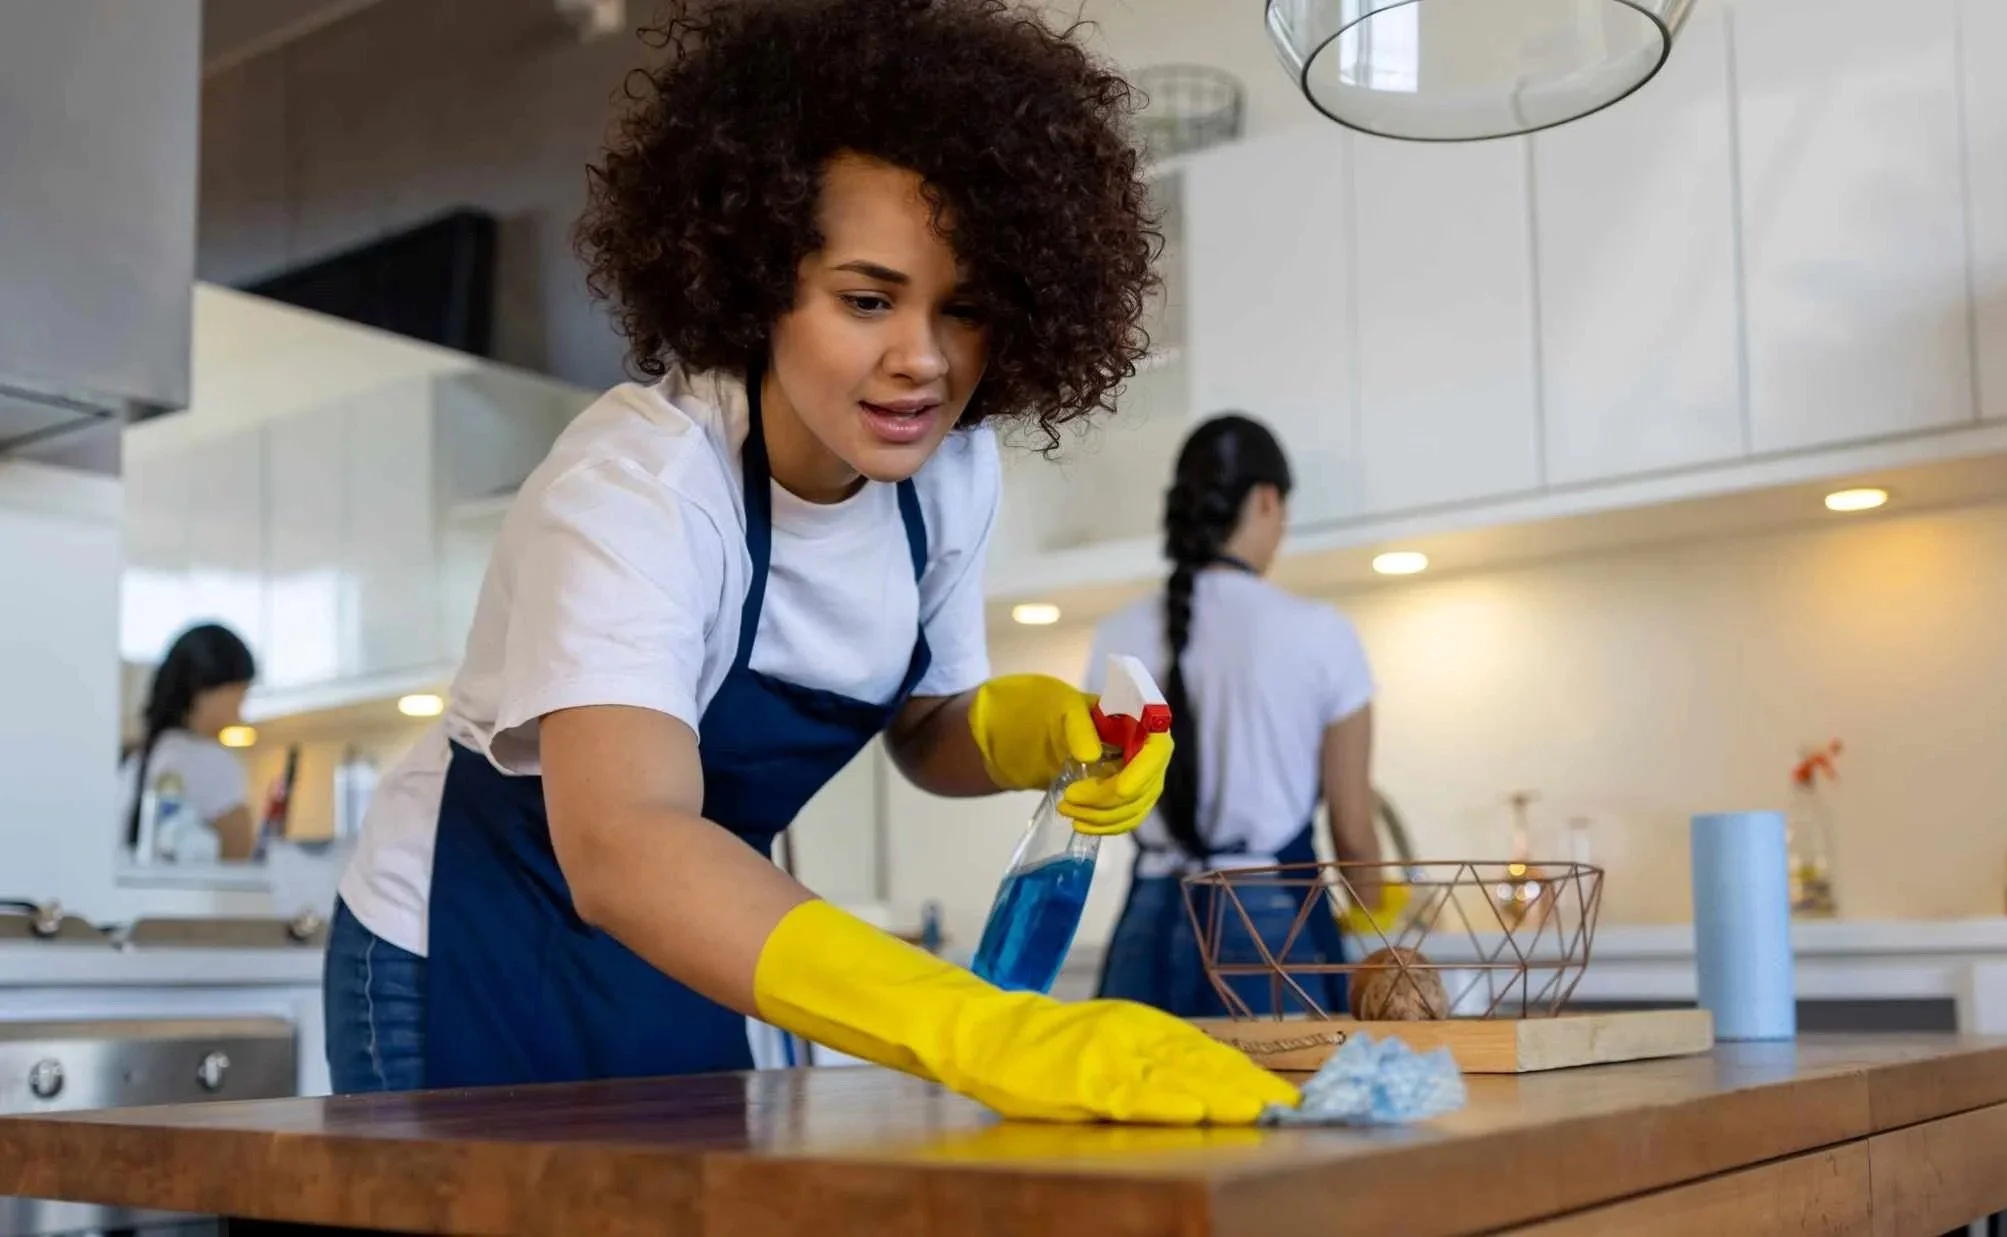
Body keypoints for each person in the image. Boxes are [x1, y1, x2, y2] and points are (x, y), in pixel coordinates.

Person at [322, 0, 1296, 1126]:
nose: (921, 360)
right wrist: (980, 1027)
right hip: (469, 940)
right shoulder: (637, 492)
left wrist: (1043, 732)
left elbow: (927, 730)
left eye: (964, 309)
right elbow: (626, 841)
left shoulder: (949, 475)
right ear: (759, 280)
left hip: (688, 931)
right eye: (867, 299)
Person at [1086, 414, 1403, 1017]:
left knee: (1137, 1101)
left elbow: (1106, 793)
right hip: (1272, 921)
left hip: (1149, 917)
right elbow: (1354, 830)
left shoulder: (1116, 633)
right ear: (1264, 501)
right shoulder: (1321, 633)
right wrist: (1377, 938)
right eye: (1283, 510)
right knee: (1291, 1105)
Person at [117, 623, 259, 864]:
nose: (242, 703)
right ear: (205, 689)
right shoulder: (210, 761)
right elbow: (238, 857)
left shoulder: (137, 760)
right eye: (240, 689)